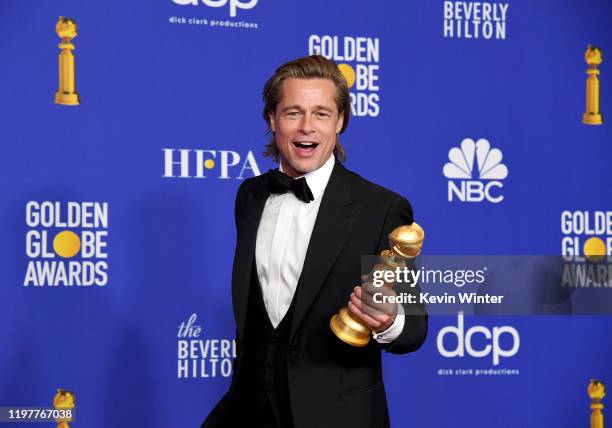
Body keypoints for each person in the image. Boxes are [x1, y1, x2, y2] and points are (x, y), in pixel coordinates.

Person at [202, 55, 427, 428]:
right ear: (272, 120)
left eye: (321, 114)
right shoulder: (252, 196)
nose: (307, 127)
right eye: (293, 113)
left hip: (337, 416)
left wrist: (389, 318)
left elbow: (414, 328)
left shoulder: (381, 208)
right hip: (249, 413)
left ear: (340, 122)